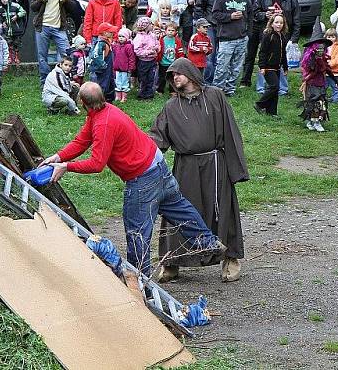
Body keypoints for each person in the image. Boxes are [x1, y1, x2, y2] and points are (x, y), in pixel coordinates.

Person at [41, 82, 226, 277]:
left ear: (82, 101)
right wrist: (59, 157)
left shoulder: (104, 123)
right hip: (158, 165)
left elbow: (96, 164)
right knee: (178, 208)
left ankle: (139, 285)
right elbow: (82, 140)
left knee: (137, 233)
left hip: (143, 179)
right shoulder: (104, 111)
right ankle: (207, 242)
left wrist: (67, 167)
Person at [149, 58, 248, 283]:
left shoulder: (215, 96)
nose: (175, 78)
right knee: (179, 212)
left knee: (223, 211)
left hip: (215, 165)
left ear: (191, 74)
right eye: (172, 75)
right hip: (186, 167)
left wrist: (236, 170)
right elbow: (157, 136)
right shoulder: (171, 107)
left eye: (178, 73)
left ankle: (230, 259)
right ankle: (172, 262)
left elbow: (231, 131)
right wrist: (142, 154)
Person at [253, 0, 299, 95]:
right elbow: (255, 13)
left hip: (284, 33)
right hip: (268, 34)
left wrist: (294, 38)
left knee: (282, 59)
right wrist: (264, 14)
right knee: (264, 57)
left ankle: (282, 89)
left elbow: (296, 18)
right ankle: (261, 87)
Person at [33, 0, 75, 86]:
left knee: (66, 54)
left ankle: (65, 80)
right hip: (43, 26)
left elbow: (72, 8)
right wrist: (40, 0)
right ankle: (45, 83)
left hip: (59, 27)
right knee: (42, 57)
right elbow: (33, 8)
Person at [211, 0, 251, 97]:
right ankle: (217, 90)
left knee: (236, 67)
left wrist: (248, 34)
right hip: (226, 38)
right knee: (222, 66)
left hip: (242, 38)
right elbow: (215, 15)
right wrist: (230, 16)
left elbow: (251, 17)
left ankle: (230, 89)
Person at [195, 0, 229, 84]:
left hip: (226, 26)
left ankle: (220, 81)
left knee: (223, 55)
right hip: (210, 26)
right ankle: (207, 81)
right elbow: (199, 7)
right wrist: (203, 24)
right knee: (209, 54)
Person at [241, 0, 272, 87]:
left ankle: (266, 81)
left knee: (265, 52)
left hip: (266, 23)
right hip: (252, 22)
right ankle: (245, 80)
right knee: (250, 53)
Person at [254, 14, 288, 116]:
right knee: (274, 86)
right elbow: (262, 52)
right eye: (276, 22)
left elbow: (283, 53)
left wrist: (285, 67)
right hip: (268, 66)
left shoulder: (282, 36)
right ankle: (259, 104)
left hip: (277, 67)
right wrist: (262, 67)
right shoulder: (268, 35)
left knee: (276, 90)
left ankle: (272, 112)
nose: (279, 25)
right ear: (271, 24)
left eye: (281, 23)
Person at [299, 32, 332, 132]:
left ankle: (316, 121)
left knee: (321, 103)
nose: (321, 50)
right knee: (314, 102)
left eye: (322, 48)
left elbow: (327, 70)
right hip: (312, 83)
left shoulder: (323, 59)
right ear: (313, 48)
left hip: (321, 83)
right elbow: (309, 71)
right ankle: (312, 121)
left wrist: (334, 80)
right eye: (318, 48)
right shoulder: (310, 60)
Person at [133, 16, 160, 100]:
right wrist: (148, 52)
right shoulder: (139, 38)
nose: (152, 25)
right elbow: (137, 51)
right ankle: (142, 94)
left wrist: (156, 48)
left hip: (152, 61)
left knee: (151, 77)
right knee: (143, 78)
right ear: (145, 26)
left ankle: (149, 94)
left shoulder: (152, 35)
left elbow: (157, 43)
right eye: (150, 24)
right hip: (143, 62)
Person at [89, 22, 117, 102]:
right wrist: (103, 65)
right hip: (102, 70)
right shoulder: (101, 43)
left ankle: (108, 100)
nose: (112, 33)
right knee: (102, 85)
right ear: (105, 33)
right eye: (110, 32)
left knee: (110, 84)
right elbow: (95, 55)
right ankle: (100, 101)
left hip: (108, 69)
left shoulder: (107, 42)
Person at [0, 0, 26, 65]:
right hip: (7, 31)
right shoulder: (0, 9)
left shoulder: (15, 5)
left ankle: (16, 58)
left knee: (16, 44)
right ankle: (9, 58)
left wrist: (17, 16)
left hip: (16, 29)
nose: (4, 0)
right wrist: (2, 23)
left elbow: (23, 12)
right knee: (8, 44)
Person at [112, 28, 136, 103]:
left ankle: (124, 97)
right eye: (119, 36)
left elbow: (132, 57)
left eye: (123, 36)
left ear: (127, 37)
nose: (121, 38)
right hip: (117, 68)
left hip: (125, 69)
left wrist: (131, 67)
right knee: (118, 82)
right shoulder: (117, 45)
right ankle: (118, 96)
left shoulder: (129, 46)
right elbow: (113, 50)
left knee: (124, 82)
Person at [325, 28, 338, 103]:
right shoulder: (324, 47)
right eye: (329, 37)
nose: (331, 39)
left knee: (335, 86)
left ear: (336, 37)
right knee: (324, 86)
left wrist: (329, 64)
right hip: (325, 71)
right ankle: (323, 98)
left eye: (333, 37)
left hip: (335, 72)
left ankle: (336, 98)